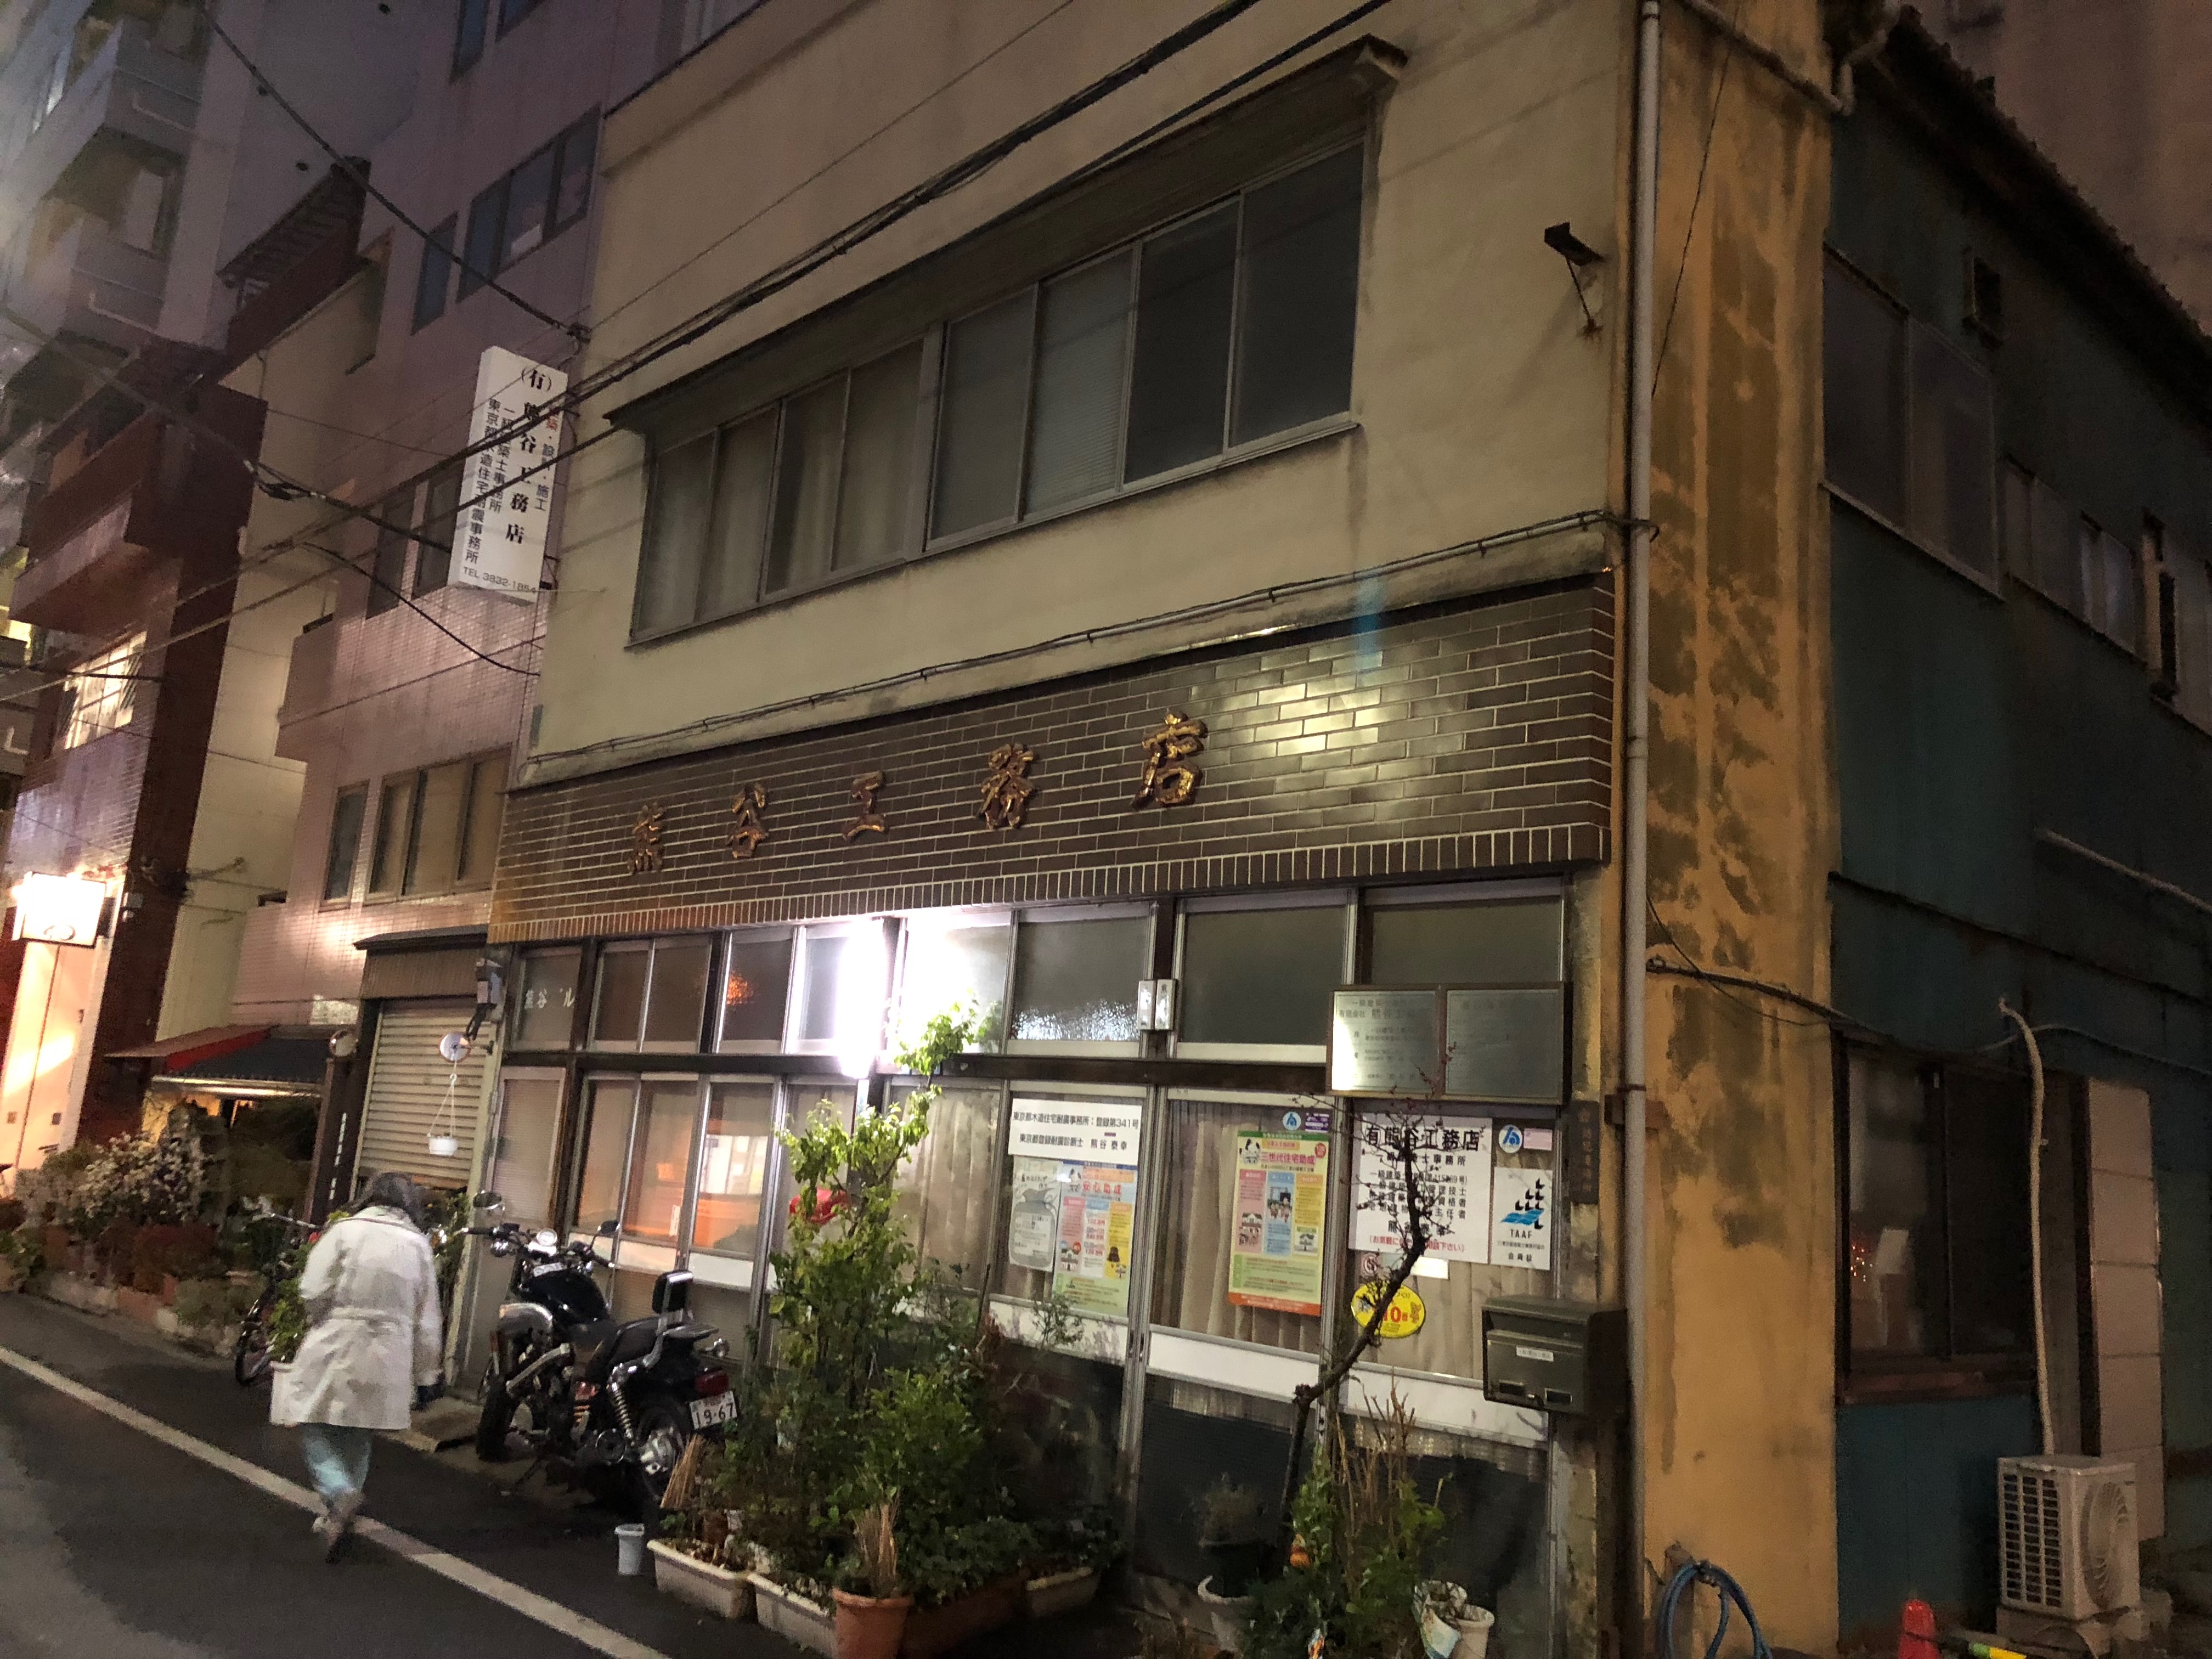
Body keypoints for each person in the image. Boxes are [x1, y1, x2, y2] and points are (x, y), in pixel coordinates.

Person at [269, 1171, 444, 1559]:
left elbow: (313, 1289)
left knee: (310, 1417)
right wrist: (427, 1374)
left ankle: (339, 1493)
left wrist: (319, 1317)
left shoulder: (345, 1232)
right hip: (391, 1350)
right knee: (359, 1429)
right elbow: (428, 1319)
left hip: (339, 1337)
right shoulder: (418, 1245)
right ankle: (337, 1514)